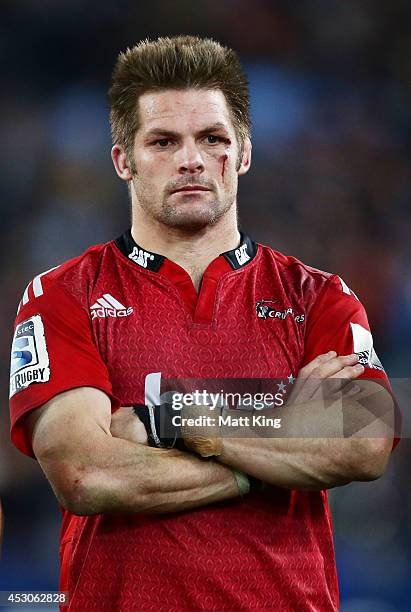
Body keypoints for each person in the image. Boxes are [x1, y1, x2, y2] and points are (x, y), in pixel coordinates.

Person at [9, 36, 395, 611]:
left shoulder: (318, 297)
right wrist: (277, 442)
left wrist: (168, 417)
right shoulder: (62, 295)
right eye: (163, 141)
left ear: (242, 154)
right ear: (123, 160)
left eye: (211, 139)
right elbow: (87, 473)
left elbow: (366, 444)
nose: (190, 158)